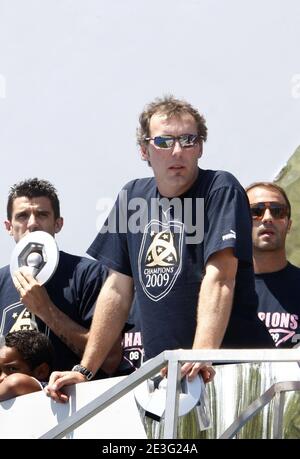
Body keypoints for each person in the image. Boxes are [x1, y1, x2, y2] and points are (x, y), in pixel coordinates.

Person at [46, 95, 272, 402]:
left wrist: (201, 354)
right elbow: (116, 290)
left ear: (201, 147)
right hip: (164, 380)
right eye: (164, 141)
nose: (177, 151)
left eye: (188, 140)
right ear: (144, 150)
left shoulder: (220, 187)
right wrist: (85, 370)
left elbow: (220, 279)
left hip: (230, 373)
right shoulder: (132, 196)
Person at [0, 178, 122, 375]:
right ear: (8, 226)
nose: (32, 224)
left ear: (58, 224)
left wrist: (46, 311)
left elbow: (110, 360)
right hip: (11, 404)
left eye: (42, 214)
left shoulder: (87, 274)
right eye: (22, 216)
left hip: (74, 402)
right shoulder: (2, 281)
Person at [246, 182, 300, 348]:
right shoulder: (221, 288)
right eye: (256, 211)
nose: (268, 218)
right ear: (239, 222)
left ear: (288, 224)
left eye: (278, 211)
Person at [0, 330, 54, 401]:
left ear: (41, 371)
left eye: (12, 368)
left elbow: (16, 383)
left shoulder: (49, 388)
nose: (1, 378)